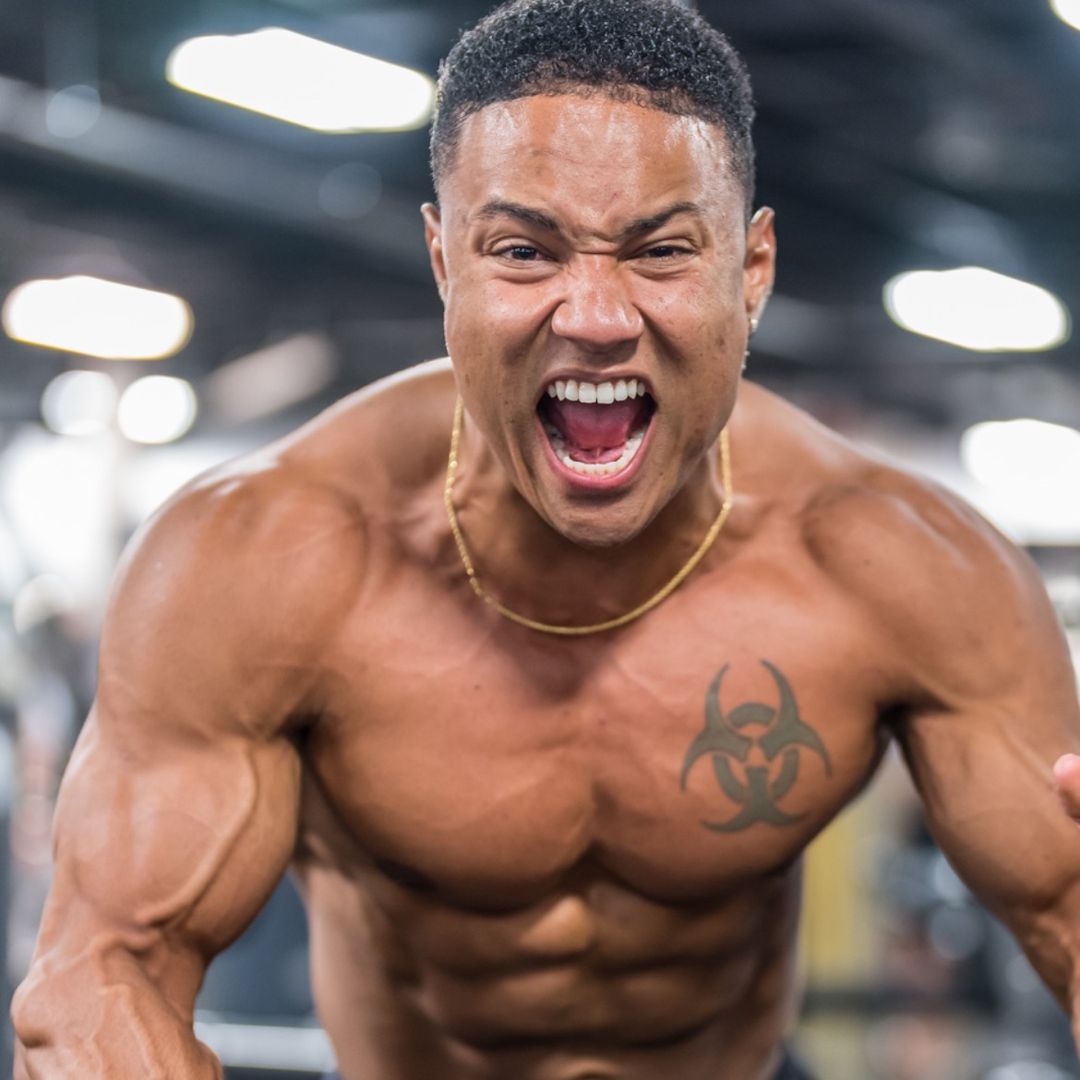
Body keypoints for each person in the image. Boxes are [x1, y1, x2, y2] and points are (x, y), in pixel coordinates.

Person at [12, 0, 1080, 1077]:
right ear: (444, 261)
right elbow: (101, 975)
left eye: (660, 250)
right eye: (524, 251)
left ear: (750, 271)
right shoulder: (263, 563)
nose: (597, 314)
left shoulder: (901, 566)